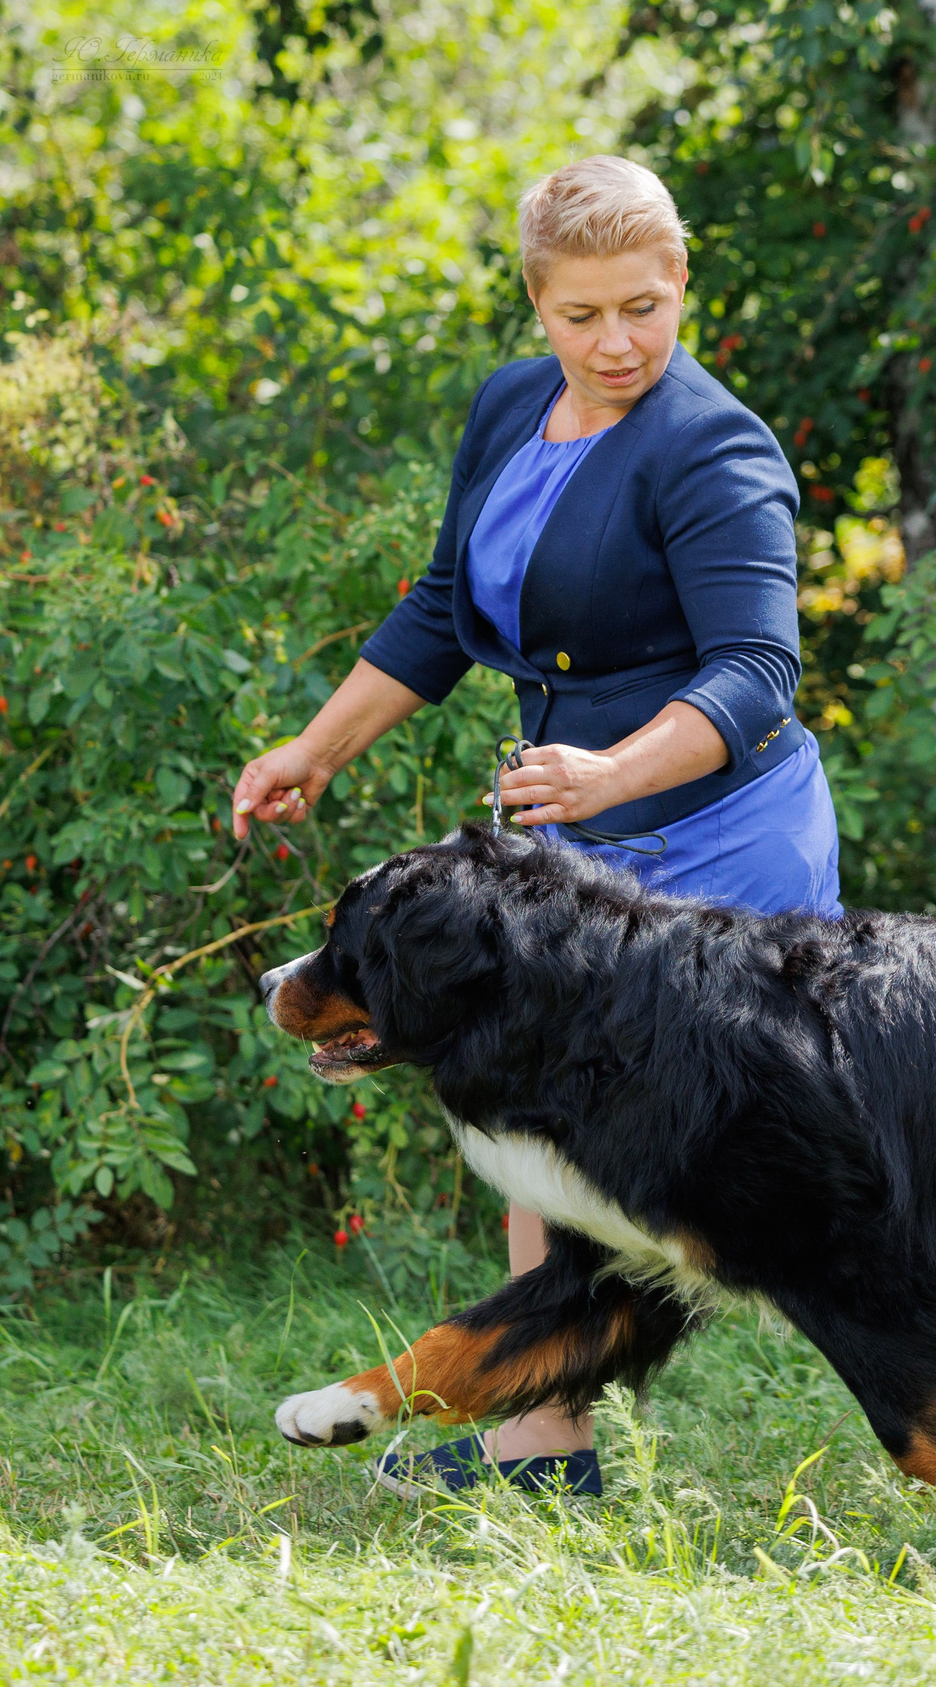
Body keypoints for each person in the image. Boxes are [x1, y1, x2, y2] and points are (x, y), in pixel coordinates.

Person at [227, 155, 841, 1496]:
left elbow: (755, 674)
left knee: (747, 1188)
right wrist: (314, 752)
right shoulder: (513, 410)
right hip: (578, 849)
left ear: (683, 282)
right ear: (537, 309)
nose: (618, 342)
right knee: (541, 1130)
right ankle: (540, 1441)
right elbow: (449, 610)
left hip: (711, 853)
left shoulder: (713, 448)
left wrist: (607, 776)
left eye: (645, 306)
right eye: (583, 316)